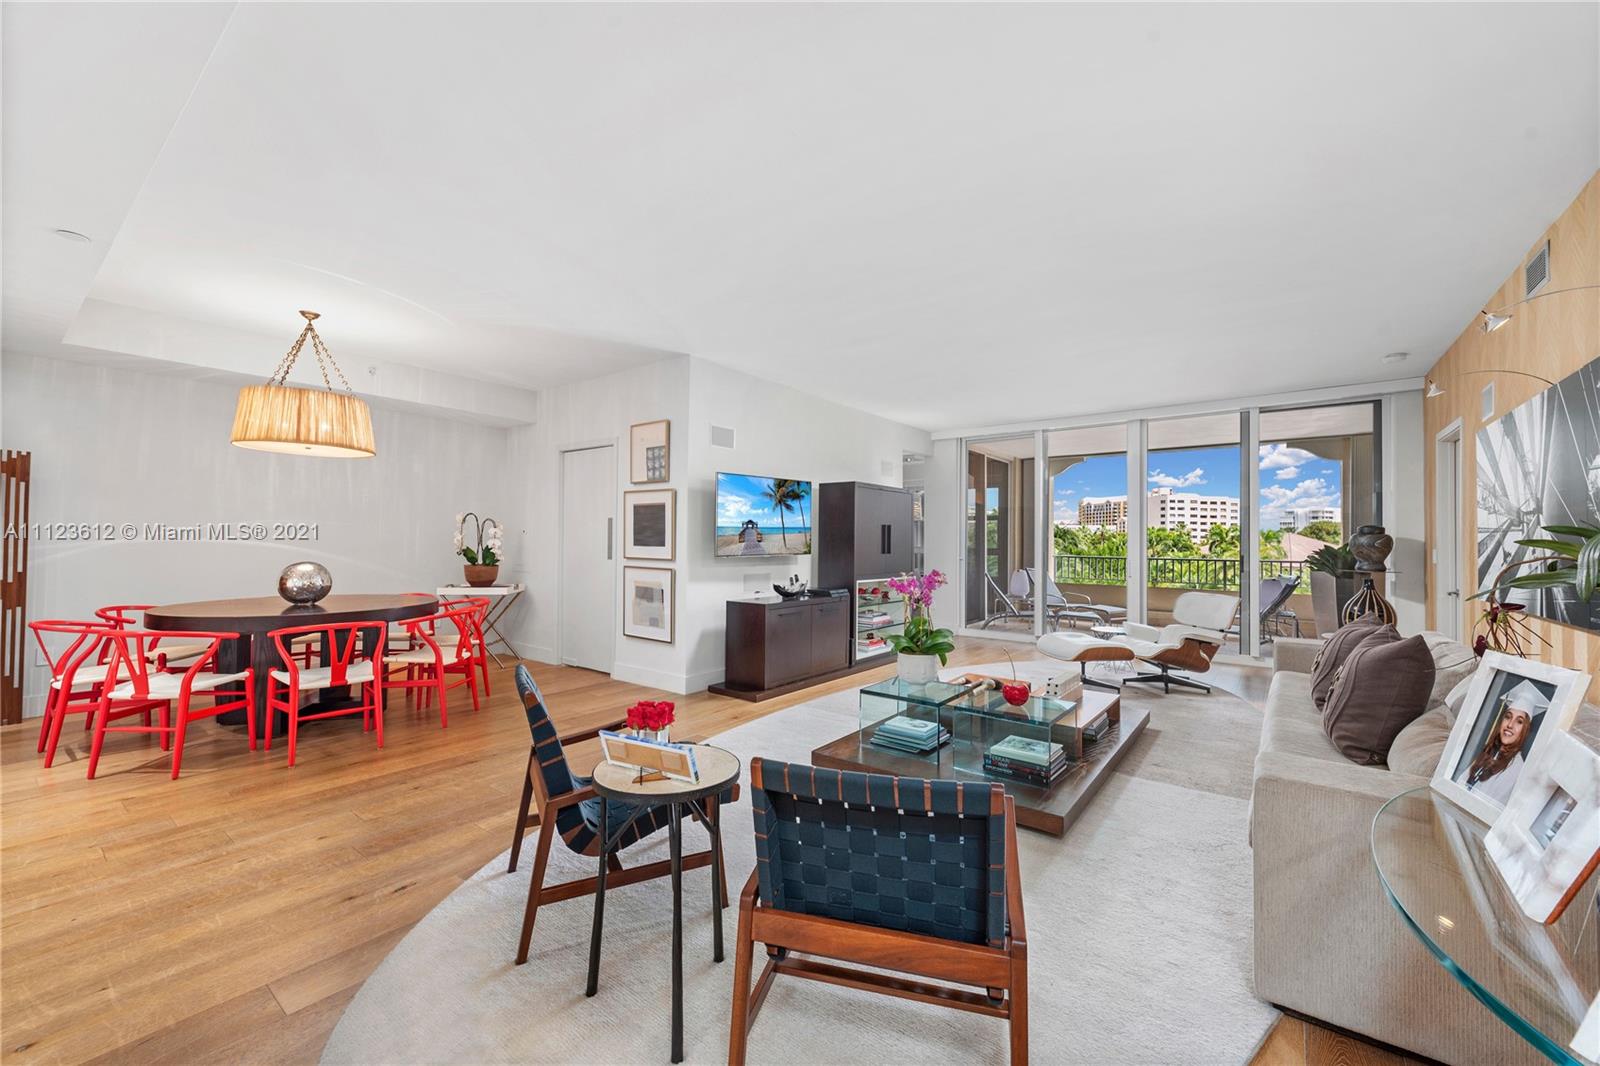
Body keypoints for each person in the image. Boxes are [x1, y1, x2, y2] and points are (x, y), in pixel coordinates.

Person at [1462, 680, 1546, 806]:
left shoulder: (1516, 769)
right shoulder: (1488, 754)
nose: (1510, 725)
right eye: (1508, 717)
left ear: (1525, 730)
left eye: (1519, 721)